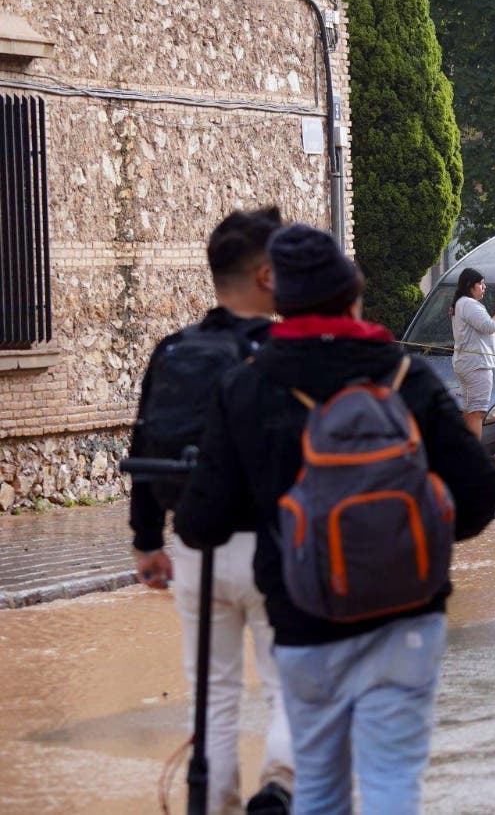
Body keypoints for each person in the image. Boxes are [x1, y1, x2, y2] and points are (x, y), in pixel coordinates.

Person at [176, 224, 495, 814]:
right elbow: (480, 495)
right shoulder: (407, 379)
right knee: (391, 785)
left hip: (303, 621)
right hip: (407, 618)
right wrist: (407, 538)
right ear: (352, 295)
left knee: (320, 791)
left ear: (282, 303)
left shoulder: (246, 389)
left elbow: (202, 523)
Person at [127, 206, 294, 815]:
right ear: (268, 276)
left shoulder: (174, 350)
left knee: (214, 702)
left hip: (196, 551)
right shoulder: (286, 354)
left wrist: (148, 543)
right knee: (289, 692)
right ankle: (278, 790)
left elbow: (144, 445)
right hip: (277, 550)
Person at [450, 266, 495, 437]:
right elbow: (489, 326)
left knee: (470, 411)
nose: (484, 287)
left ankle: (466, 456)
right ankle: (474, 459)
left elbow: (482, 333)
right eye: (481, 284)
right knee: (477, 412)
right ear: (470, 285)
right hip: (476, 366)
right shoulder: (469, 304)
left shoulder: (461, 303)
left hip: (467, 363)